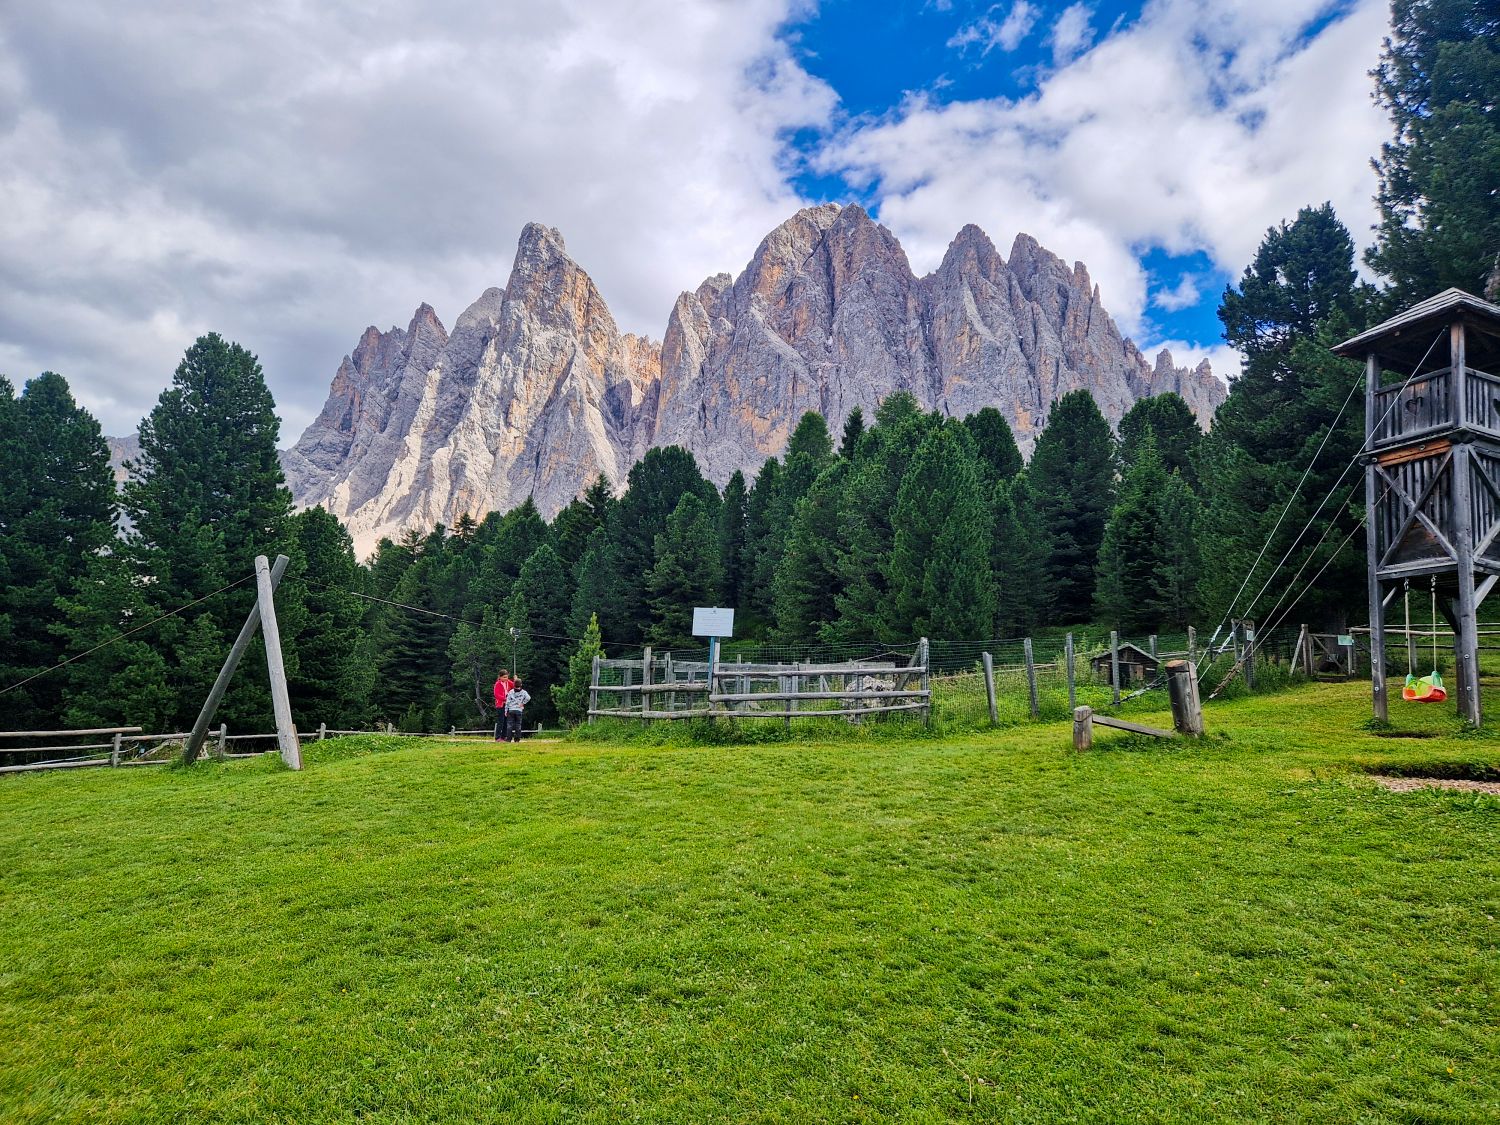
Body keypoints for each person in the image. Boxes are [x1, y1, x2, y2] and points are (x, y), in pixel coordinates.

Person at [503, 677, 531, 743]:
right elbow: (528, 698)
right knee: (518, 725)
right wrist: (523, 703)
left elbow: (507, 702)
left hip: (511, 710)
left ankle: (509, 739)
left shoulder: (511, 692)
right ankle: (517, 739)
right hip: (519, 710)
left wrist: (506, 710)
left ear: (514, 685)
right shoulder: (523, 692)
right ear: (521, 685)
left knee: (509, 725)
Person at [493, 669, 514, 740]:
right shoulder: (497, 684)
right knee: (501, 721)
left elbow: (516, 686)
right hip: (500, 705)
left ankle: (503, 736)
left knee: (506, 721)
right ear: (500, 677)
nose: (506, 678)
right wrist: (505, 699)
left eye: (507, 677)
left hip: (507, 705)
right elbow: (496, 695)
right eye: (504, 677)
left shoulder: (508, 682)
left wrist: (516, 680)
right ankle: (497, 737)